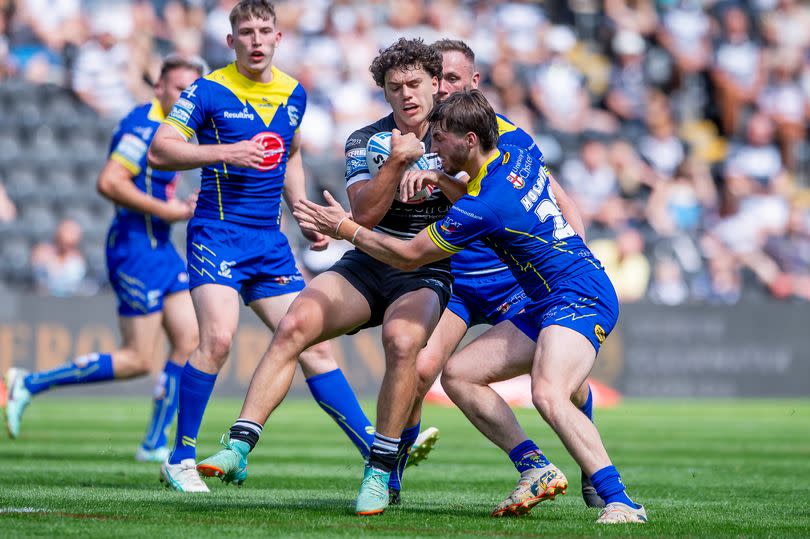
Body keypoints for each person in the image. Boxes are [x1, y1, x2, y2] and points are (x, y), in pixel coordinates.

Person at [294, 89, 648, 525]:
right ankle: (535, 466)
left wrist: (346, 229)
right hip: (551, 294)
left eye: (440, 139)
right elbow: (488, 195)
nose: (431, 147)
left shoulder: (484, 206)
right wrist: (442, 181)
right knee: (460, 375)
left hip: (579, 294)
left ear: (469, 141)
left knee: (549, 392)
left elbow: (409, 256)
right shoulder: (515, 151)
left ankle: (621, 502)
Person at [195, 37, 456, 515]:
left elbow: (482, 201)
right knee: (295, 323)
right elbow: (364, 215)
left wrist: (439, 177)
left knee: (402, 343)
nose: (407, 95)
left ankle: (378, 473)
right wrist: (399, 161)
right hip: (368, 261)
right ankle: (238, 447)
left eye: (415, 83)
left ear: (436, 84)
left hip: (425, 267)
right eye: (395, 87)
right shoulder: (365, 140)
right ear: (384, 93)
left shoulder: (459, 133)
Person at [147, 1, 380, 493]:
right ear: (231, 42)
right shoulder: (209, 89)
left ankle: (378, 454)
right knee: (218, 339)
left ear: (278, 38)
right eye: (246, 32)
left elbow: (289, 149)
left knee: (314, 347)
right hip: (217, 233)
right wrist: (224, 151)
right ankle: (180, 456)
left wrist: (301, 209)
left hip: (270, 243)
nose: (256, 39)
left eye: (264, 30)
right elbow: (161, 149)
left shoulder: (295, 92)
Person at [392, 39, 605, 514]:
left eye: (451, 78)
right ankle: (392, 470)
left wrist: (577, 242)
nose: (442, 87)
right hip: (456, 276)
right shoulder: (412, 133)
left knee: (567, 382)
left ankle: (592, 466)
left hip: (511, 278)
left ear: (473, 83)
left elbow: (550, 191)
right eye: (436, 78)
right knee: (422, 368)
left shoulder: (502, 134)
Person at [2, 55, 206, 464]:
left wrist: (175, 208)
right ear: (159, 88)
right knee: (136, 360)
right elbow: (108, 181)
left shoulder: (173, 130)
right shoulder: (141, 127)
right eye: (179, 89)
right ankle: (30, 382)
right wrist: (166, 211)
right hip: (134, 249)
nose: (185, 97)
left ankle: (153, 442)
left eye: (191, 91)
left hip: (161, 248)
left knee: (190, 339)